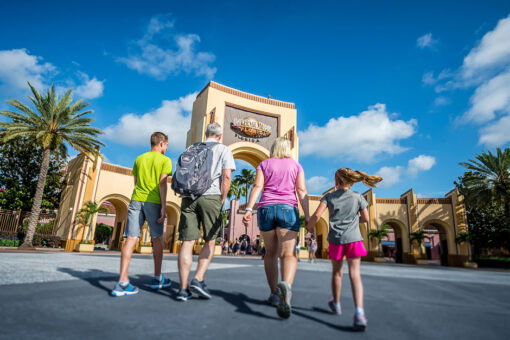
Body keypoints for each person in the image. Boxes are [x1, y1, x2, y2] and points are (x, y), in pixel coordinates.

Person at [307, 168, 382, 331]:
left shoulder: (328, 197)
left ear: (336, 181)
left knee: (337, 273)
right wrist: (354, 219)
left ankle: (336, 303)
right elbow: (366, 219)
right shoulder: (358, 197)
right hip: (354, 239)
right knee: (355, 275)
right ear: (351, 181)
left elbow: (317, 215)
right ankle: (359, 313)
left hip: (336, 240)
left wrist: (309, 226)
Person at [243, 137, 309, 319]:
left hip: (265, 209)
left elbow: (257, 186)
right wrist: (308, 216)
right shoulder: (296, 165)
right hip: (288, 209)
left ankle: (274, 294)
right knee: (288, 253)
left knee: (270, 253)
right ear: (288, 149)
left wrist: (249, 208)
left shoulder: (264, 164)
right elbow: (301, 191)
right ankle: (286, 286)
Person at [176, 123, 235, 301]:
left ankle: (182, 289)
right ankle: (198, 278)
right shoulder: (223, 149)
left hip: (189, 197)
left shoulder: (192, 147)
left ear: (206, 133)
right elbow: (226, 176)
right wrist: (222, 198)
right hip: (211, 197)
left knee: (187, 242)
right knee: (210, 240)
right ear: (220, 135)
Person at [110, 132, 173, 297]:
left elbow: (136, 183)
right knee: (157, 239)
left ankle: (122, 282)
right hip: (154, 202)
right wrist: (164, 207)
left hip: (136, 200)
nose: (166, 148)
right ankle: (157, 278)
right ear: (161, 144)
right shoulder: (165, 160)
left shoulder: (139, 159)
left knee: (130, 238)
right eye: (166, 145)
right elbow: (162, 185)